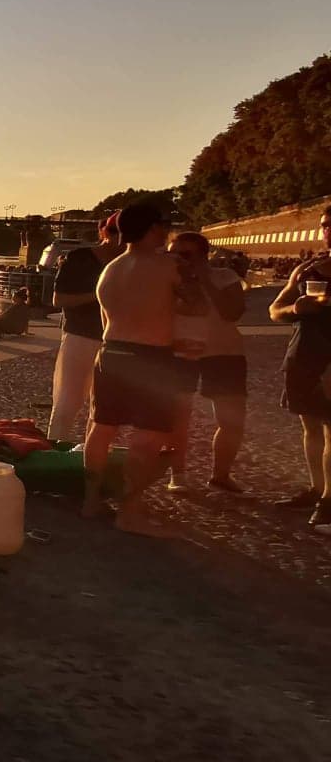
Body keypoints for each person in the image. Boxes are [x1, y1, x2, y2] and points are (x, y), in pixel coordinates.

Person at [81, 202, 180, 536]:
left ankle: (91, 500)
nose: (167, 232)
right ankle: (130, 512)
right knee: (147, 438)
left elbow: (105, 321)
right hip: (152, 355)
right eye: (164, 226)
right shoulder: (168, 266)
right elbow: (198, 305)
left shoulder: (111, 269)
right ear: (153, 229)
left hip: (111, 352)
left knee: (101, 428)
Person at [165, 233, 247, 493]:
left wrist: (205, 279)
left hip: (224, 353)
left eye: (185, 254)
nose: (178, 259)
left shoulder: (225, 277)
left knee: (231, 420)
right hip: (181, 353)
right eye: (173, 253)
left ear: (204, 255)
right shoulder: (167, 280)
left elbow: (231, 312)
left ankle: (221, 475)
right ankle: (178, 475)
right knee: (179, 417)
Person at [269, 205, 331, 527]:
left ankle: (329, 500)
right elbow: (274, 310)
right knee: (311, 429)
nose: (328, 230)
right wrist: (296, 306)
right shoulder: (307, 270)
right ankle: (316, 489)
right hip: (304, 354)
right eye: (325, 225)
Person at [47, 212, 125, 443]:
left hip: (117, 341)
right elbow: (59, 299)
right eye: (114, 232)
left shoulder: (131, 262)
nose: (119, 239)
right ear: (103, 232)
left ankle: (94, 455)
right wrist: (99, 296)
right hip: (80, 336)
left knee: (104, 405)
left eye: (125, 234)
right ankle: (53, 447)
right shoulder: (80, 258)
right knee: (67, 400)